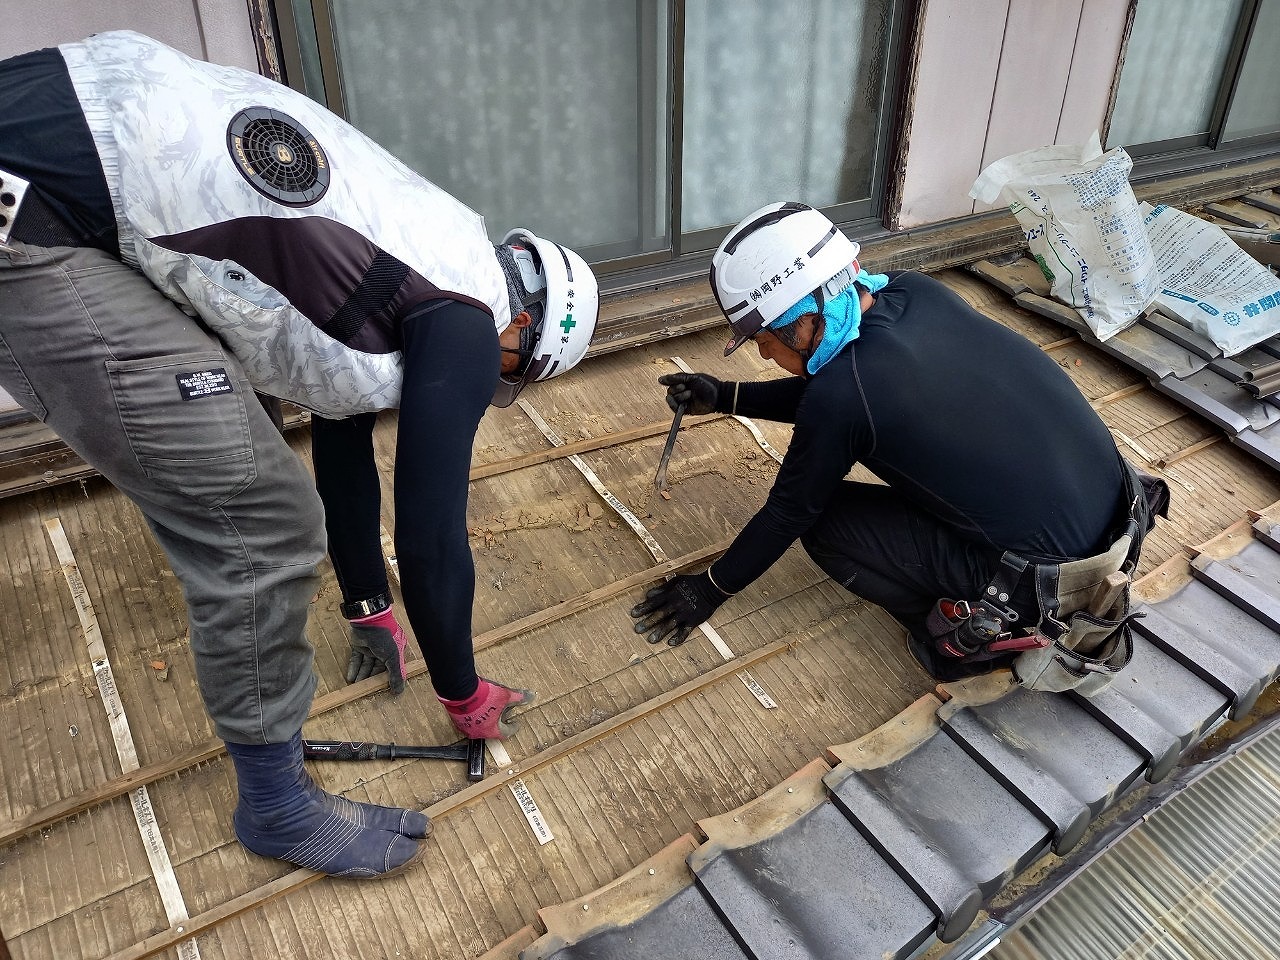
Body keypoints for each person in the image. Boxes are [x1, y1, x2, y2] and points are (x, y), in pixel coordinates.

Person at [0, 31, 597, 879]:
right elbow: (430, 542)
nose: (489, 391)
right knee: (261, 522)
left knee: (263, 483)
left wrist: (369, 611)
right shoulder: (469, 317)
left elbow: (342, 442)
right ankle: (276, 808)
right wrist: (463, 694)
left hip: (68, 120)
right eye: (512, 378)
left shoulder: (410, 263)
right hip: (36, 204)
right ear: (527, 331)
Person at [631, 202, 1165, 692]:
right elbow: (849, 399)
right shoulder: (915, 293)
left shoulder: (844, 394)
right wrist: (726, 396)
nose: (764, 355)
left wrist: (709, 590)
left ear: (805, 321)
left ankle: (963, 644)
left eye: (764, 340)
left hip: (1053, 587)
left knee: (823, 524)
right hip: (1120, 516)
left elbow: (790, 509)